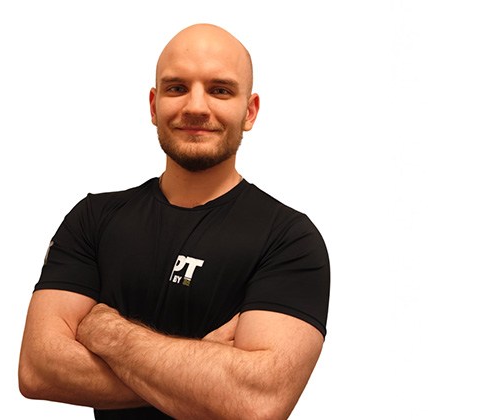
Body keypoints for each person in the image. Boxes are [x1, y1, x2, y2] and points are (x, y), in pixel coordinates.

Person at [18, 23, 330, 420]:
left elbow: (258, 402)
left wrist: (108, 333)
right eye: (177, 88)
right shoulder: (93, 219)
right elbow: (38, 369)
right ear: (153, 106)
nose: (196, 107)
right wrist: (204, 374)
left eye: (220, 90)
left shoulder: (289, 239)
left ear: (249, 112)